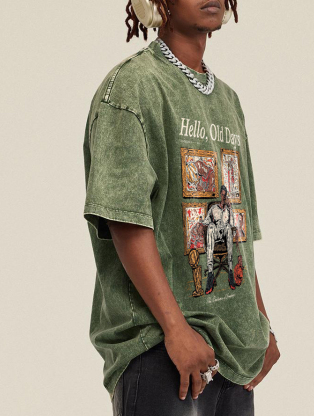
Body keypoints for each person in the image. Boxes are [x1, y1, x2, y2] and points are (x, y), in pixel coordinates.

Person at [82, 1, 281, 415]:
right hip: (161, 347)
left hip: (234, 353)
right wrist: (175, 329)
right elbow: (125, 218)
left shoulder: (227, 100)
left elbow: (239, 229)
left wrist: (260, 324)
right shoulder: (132, 86)